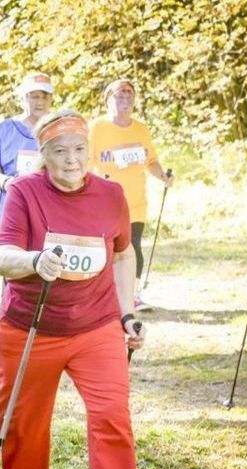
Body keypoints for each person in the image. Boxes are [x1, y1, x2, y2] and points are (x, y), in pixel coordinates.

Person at [0, 109, 146, 469]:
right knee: (24, 420)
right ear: (43, 156)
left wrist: (127, 314)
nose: (71, 159)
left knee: (112, 415)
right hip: (31, 326)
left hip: (95, 326)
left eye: (79, 149)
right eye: (59, 151)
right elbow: (4, 257)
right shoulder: (24, 192)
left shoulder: (111, 195)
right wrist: (35, 261)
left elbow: (121, 256)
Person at [88, 78, 173, 312]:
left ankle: (133, 296)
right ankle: (104, 294)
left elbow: (151, 161)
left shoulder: (141, 129)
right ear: (108, 100)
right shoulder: (96, 128)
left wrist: (163, 176)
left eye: (129, 94)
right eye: (119, 94)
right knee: (107, 248)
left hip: (135, 202)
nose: (125, 98)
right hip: (105, 202)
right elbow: (86, 164)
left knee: (133, 247)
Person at [0, 72, 53, 222]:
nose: (40, 102)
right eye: (34, 96)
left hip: (47, 210)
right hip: (12, 208)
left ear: (51, 99)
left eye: (45, 96)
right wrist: (6, 182)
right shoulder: (5, 129)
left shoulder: (58, 129)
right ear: (24, 98)